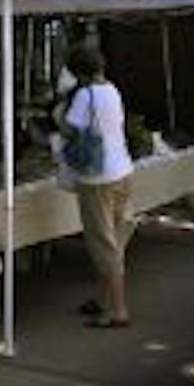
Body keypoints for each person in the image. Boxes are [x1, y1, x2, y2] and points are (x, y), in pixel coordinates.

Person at [56, 43, 136, 327]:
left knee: (103, 244)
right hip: (122, 169)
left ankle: (117, 309)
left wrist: (58, 114)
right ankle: (105, 299)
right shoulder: (112, 90)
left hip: (96, 177)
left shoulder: (84, 96)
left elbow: (69, 129)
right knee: (114, 239)